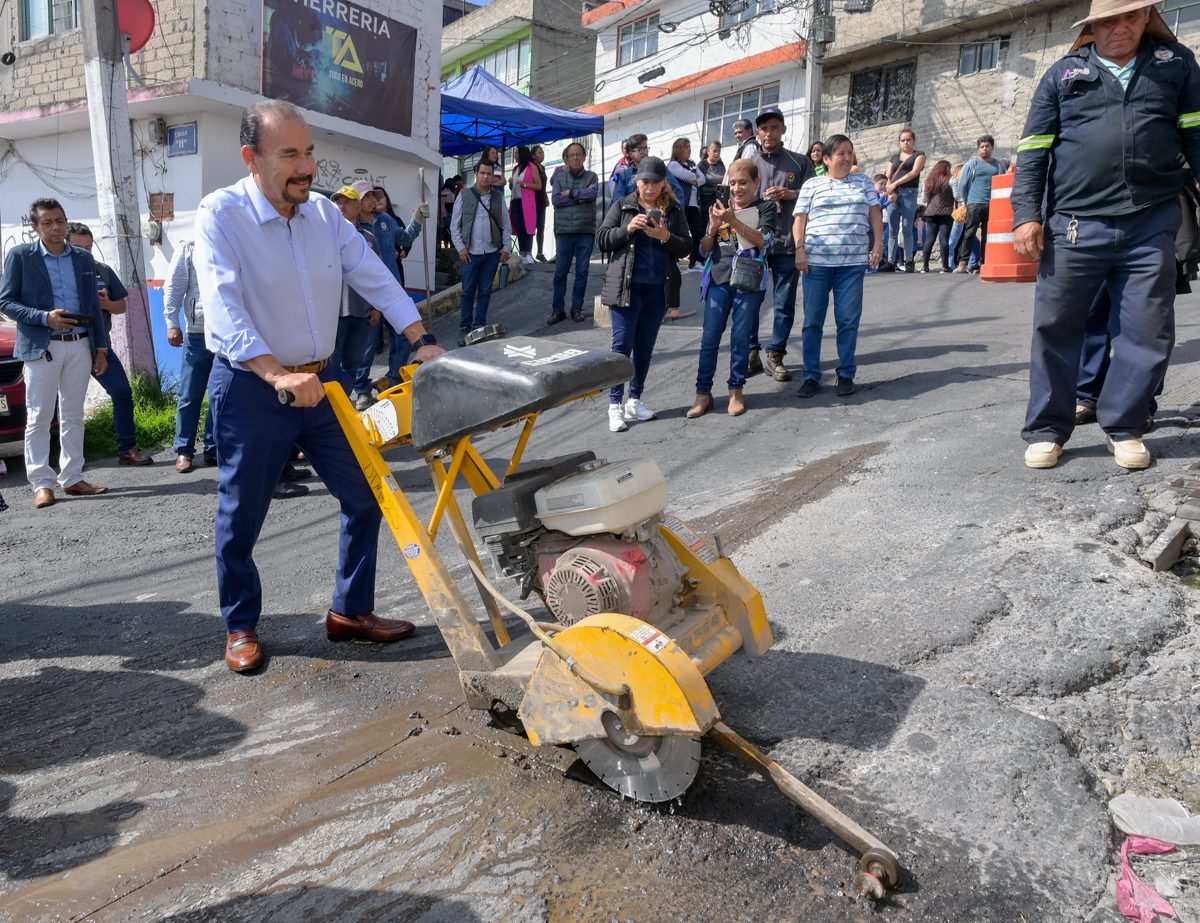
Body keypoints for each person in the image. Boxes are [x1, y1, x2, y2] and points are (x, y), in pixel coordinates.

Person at [192, 100, 443, 673]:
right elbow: (224, 307)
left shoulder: (326, 216)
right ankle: (241, 625)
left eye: (309, 152)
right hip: (255, 385)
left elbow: (372, 273)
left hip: (324, 381)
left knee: (365, 495)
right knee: (241, 516)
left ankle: (350, 612)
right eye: (290, 155)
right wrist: (277, 373)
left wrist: (419, 334)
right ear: (251, 159)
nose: (306, 166)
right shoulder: (222, 215)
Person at [1013, 0, 1200, 471]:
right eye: (1108, 20)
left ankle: (1125, 426)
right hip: (1075, 226)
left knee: (1147, 329)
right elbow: (1033, 150)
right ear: (1091, 27)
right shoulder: (1063, 75)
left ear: (1146, 19)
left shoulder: (1175, 64)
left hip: (1151, 219)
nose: (1120, 28)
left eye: (1130, 17)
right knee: (1056, 327)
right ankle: (1047, 430)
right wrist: (1026, 216)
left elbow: (1195, 134)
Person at [0, 198, 109, 508]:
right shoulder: (21, 257)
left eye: (59, 220)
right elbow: (6, 302)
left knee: (73, 415)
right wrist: (44, 317)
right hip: (41, 347)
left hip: (79, 344)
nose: (55, 227)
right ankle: (42, 483)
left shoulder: (82, 259)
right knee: (39, 417)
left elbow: (93, 307)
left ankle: (73, 478)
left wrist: (100, 348)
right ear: (35, 227)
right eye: (47, 222)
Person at [596, 156, 692, 432]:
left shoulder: (673, 210)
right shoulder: (624, 205)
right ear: (636, 182)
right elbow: (602, 239)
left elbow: (686, 246)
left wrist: (664, 236)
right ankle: (614, 405)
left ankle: (634, 400)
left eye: (655, 183)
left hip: (657, 289)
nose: (649, 188)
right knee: (621, 348)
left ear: (664, 184)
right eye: (644, 182)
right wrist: (627, 229)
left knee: (645, 348)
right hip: (626, 288)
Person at [793, 136, 884, 399]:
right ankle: (811, 376)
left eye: (850, 153)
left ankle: (845, 374)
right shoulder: (812, 185)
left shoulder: (863, 182)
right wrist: (799, 249)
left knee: (847, 321)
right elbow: (800, 220)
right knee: (812, 322)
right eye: (840, 153)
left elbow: (875, 214)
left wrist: (877, 245)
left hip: (852, 265)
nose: (846, 158)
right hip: (816, 264)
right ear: (827, 159)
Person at [687, 158, 775, 419]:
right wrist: (714, 227)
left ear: (756, 182)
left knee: (740, 338)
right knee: (709, 338)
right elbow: (704, 247)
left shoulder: (765, 207)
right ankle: (703, 394)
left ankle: (736, 391)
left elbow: (764, 240)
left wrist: (733, 221)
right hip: (718, 276)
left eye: (743, 183)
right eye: (733, 183)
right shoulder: (719, 207)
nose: (737, 189)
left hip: (749, 278)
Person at [66, 223, 153, 466]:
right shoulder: (60, 275)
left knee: (122, 392)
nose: (84, 252)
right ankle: (68, 460)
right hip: (68, 345)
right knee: (66, 404)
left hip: (100, 346)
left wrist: (104, 305)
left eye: (88, 247)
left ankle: (127, 449)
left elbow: (121, 306)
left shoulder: (102, 270)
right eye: (77, 247)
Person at [748, 106, 815, 382]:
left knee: (783, 303)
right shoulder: (750, 165)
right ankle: (751, 352)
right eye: (764, 128)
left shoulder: (800, 162)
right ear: (757, 133)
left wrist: (790, 193)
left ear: (784, 130)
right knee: (750, 302)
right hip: (755, 245)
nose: (768, 133)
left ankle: (775, 355)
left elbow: (814, 195)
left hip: (788, 243)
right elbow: (737, 197)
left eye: (774, 127)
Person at [362, 184, 428, 396]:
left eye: (376, 196)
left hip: (392, 291)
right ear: (360, 201)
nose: (375, 200)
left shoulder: (386, 221)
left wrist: (417, 220)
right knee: (367, 343)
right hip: (366, 294)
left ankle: (394, 378)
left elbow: (405, 238)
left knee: (401, 337)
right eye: (369, 196)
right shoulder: (352, 227)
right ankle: (361, 389)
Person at [328, 185, 382, 412]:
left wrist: (377, 307)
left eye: (347, 202)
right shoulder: (326, 236)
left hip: (360, 311)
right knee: (329, 365)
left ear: (358, 206)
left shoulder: (368, 239)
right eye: (338, 202)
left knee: (353, 363)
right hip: (332, 312)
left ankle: (341, 406)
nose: (342, 206)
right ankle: (329, 409)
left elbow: (377, 275)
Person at [164, 240, 217, 472]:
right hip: (198, 334)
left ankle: (213, 448)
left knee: (220, 395)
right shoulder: (190, 247)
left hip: (227, 334)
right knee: (190, 395)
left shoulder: (234, 239)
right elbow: (174, 287)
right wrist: (172, 323)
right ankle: (184, 450)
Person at [451, 159, 512, 346]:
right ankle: (465, 327)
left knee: (485, 291)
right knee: (468, 292)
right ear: (476, 173)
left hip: (492, 253)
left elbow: (507, 224)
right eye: (482, 173)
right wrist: (460, 247)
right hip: (470, 253)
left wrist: (506, 247)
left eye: (489, 174)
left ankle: (479, 326)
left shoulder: (498, 197)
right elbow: (455, 225)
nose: (486, 177)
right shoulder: (464, 195)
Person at [548, 142, 599, 325]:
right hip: (564, 232)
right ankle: (558, 310)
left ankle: (576, 308)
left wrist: (570, 193)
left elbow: (592, 195)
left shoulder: (592, 177)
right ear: (567, 159)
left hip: (585, 231)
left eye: (579, 154)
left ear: (584, 157)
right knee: (560, 273)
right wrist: (578, 198)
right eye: (572, 155)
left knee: (582, 272)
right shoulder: (560, 178)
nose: (576, 157)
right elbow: (555, 200)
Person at [955, 135, 1009, 273]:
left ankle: (984, 263)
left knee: (988, 235)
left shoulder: (999, 165)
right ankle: (963, 263)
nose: (985, 149)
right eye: (982, 147)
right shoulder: (971, 164)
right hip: (974, 203)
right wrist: (967, 201)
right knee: (970, 233)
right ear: (978, 149)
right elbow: (962, 185)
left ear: (992, 148)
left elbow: (1003, 182)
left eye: (987, 146)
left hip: (992, 204)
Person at [883, 129, 926, 273]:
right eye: (903, 140)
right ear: (899, 142)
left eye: (908, 140)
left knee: (907, 227)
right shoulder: (894, 157)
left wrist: (896, 183)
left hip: (909, 192)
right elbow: (887, 175)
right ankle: (890, 261)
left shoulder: (918, 155)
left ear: (913, 141)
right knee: (892, 228)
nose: (905, 143)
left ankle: (909, 260)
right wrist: (890, 187)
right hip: (893, 194)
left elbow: (914, 173)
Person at [668, 138, 707, 271]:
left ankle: (694, 261)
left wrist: (694, 179)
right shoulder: (673, 165)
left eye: (690, 147)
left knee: (697, 232)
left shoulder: (693, 164)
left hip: (693, 204)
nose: (689, 150)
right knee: (677, 232)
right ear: (678, 149)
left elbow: (703, 179)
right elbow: (690, 177)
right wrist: (694, 178)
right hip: (681, 203)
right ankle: (674, 261)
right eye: (686, 147)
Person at [920, 161, 955, 273]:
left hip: (931, 213)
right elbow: (957, 195)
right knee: (944, 239)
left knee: (929, 239)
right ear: (947, 168)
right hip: (946, 213)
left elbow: (925, 199)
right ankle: (945, 266)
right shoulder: (951, 180)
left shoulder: (929, 181)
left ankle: (924, 266)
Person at [509, 145, 540, 267]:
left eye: (516, 153)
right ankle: (522, 253)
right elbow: (514, 187)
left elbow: (538, 186)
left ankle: (528, 253)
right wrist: (511, 184)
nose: (515, 155)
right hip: (515, 201)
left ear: (522, 154)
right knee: (519, 227)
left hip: (526, 201)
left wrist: (524, 185)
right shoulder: (515, 168)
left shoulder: (532, 167)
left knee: (527, 227)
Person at [613, 134, 648, 201]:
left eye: (646, 148)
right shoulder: (625, 176)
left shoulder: (658, 167)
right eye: (640, 149)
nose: (645, 152)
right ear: (631, 154)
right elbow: (617, 201)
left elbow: (673, 189)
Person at [532, 145, 551, 262]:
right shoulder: (532, 167)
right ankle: (528, 252)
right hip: (532, 200)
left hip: (541, 200)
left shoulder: (542, 168)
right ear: (533, 155)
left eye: (543, 152)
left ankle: (540, 252)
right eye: (539, 153)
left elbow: (543, 186)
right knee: (531, 227)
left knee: (541, 227)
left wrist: (546, 197)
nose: (542, 154)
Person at [697, 140, 726, 215]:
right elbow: (698, 186)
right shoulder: (702, 165)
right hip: (706, 201)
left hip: (719, 200)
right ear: (708, 152)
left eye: (719, 151)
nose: (717, 153)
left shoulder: (721, 165)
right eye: (714, 151)